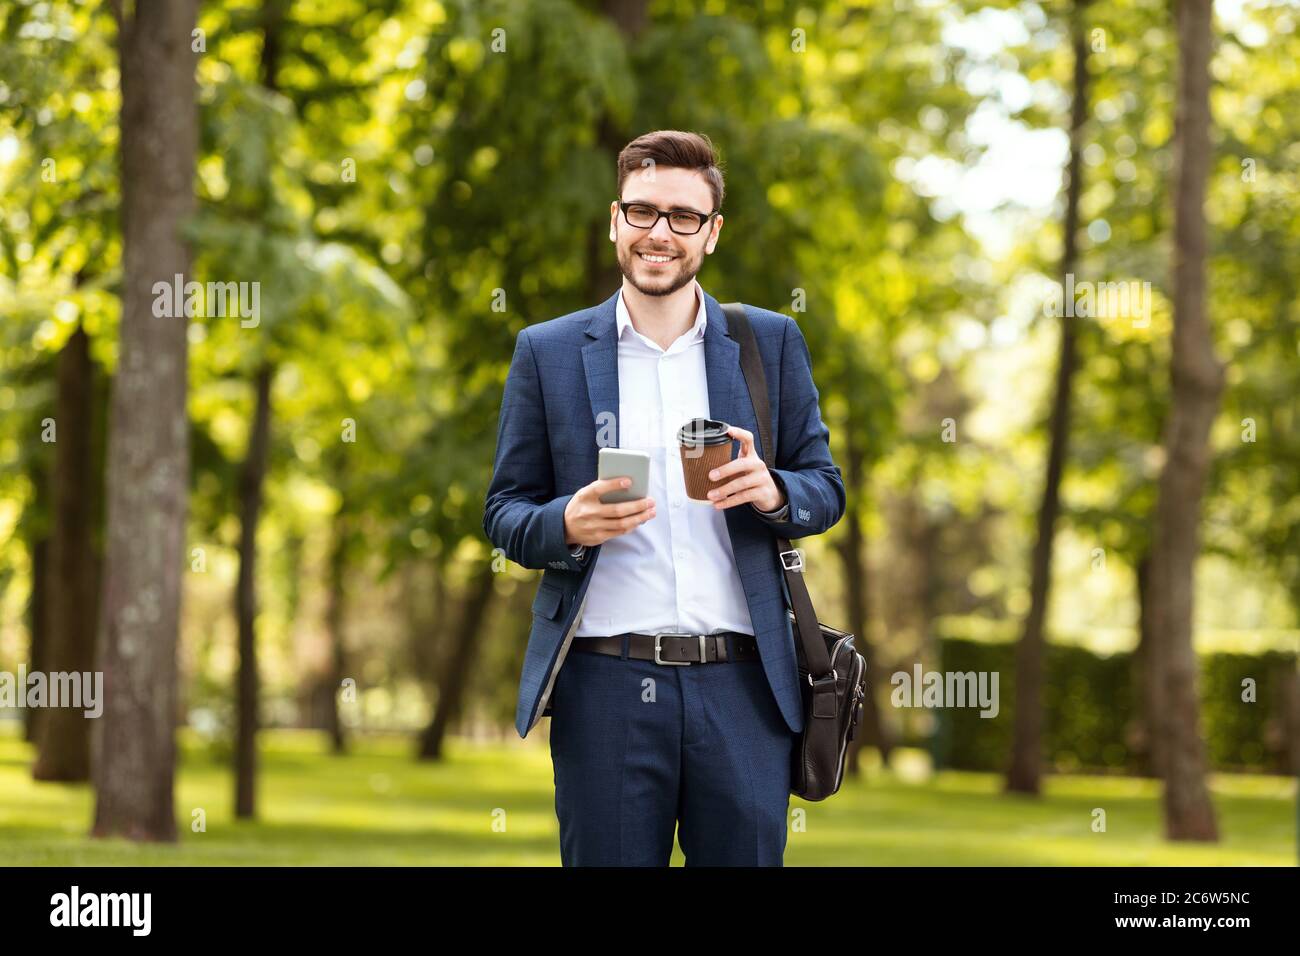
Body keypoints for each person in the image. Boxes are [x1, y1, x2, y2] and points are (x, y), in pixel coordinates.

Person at [483, 129, 845, 865]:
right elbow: (506, 512)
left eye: (683, 217)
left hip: (746, 689)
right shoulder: (546, 351)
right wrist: (566, 522)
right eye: (642, 212)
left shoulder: (766, 343)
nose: (659, 233)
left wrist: (775, 491)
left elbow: (825, 488)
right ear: (615, 221)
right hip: (605, 686)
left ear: (711, 234)